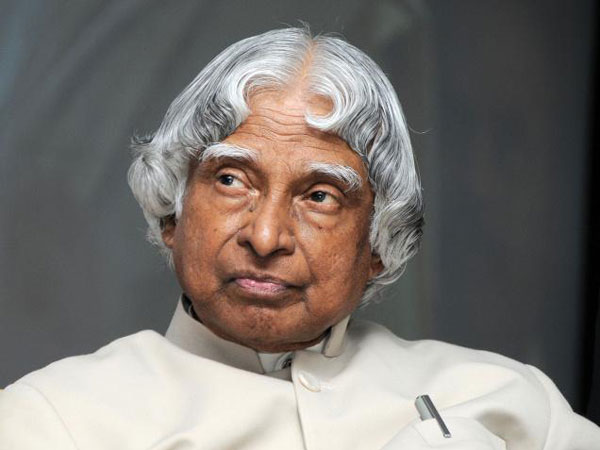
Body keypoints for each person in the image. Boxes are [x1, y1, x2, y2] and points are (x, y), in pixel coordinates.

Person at [1, 26, 598, 450]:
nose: (266, 237)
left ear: (378, 245)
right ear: (172, 214)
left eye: (320, 196)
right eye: (231, 180)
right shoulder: (52, 422)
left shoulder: (513, 403)